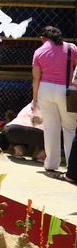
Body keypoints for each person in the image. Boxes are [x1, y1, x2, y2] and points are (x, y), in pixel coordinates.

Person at [31, 26, 77, 173]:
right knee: (70, 129)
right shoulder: (71, 48)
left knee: (50, 128)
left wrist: (35, 99)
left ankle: (51, 164)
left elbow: (36, 78)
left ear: (43, 38)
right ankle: (72, 167)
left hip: (45, 90)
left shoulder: (39, 52)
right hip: (67, 90)